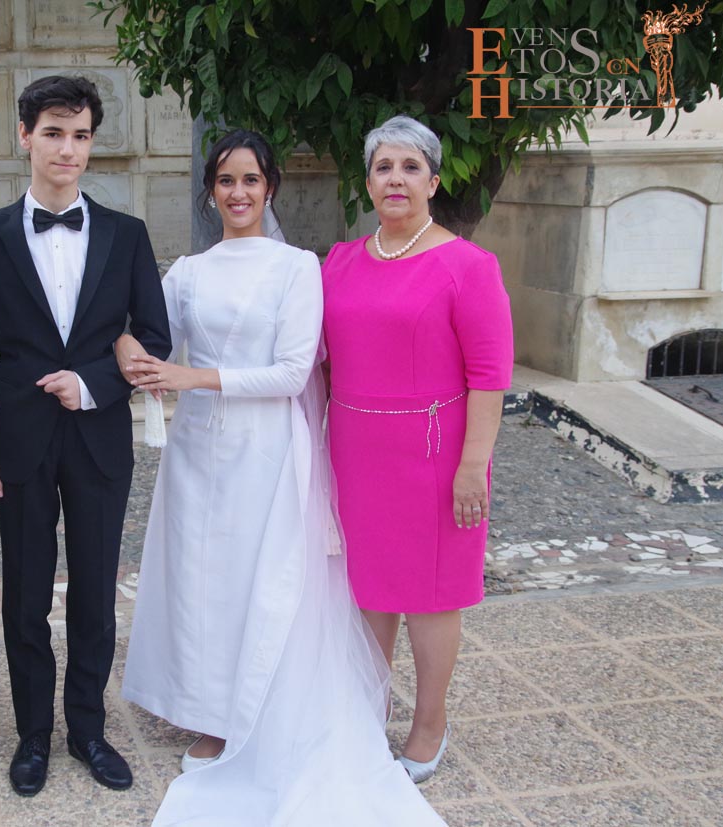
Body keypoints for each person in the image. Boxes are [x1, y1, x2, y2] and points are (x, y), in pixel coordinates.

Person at [119, 129, 445, 826]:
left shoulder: (297, 268)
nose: (238, 193)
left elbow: (293, 372)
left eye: (250, 180)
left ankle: (257, 708)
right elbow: (146, 331)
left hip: (265, 448)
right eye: (225, 181)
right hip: (195, 450)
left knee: (256, 578)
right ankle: (208, 711)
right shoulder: (189, 272)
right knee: (200, 580)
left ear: (270, 188)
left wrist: (190, 377)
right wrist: (128, 350)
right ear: (211, 191)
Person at [0, 75, 171, 797]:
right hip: (19, 440)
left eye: (79, 135)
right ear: (25, 137)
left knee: (95, 593)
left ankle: (87, 730)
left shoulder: (126, 234)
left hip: (99, 437)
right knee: (24, 593)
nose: (67, 149)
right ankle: (32, 735)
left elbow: (155, 337)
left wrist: (94, 382)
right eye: (53, 132)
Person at [322, 114, 513, 784]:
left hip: (436, 459)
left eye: (411, 167)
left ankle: (429, 721)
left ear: (433, 181)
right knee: (368, 589)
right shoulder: (340, 262)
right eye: (383, 167)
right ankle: (365, 712)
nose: (396, 179)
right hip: (356, 453)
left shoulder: (468, 266)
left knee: (431, 595)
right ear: (368, 182)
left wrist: (472, 465)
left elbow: (489, 373)